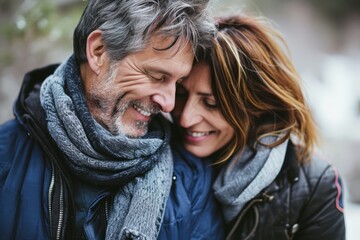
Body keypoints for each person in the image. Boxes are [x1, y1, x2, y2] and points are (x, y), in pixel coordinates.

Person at [0, 0, 216, 239]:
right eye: (157, 76)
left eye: (177, 84)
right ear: (99, 51)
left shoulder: (192, 179)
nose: (169, 103)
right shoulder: (5, 157)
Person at [172, 14, 346, 240]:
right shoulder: (153, 153)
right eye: (181, 94)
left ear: (256, 104)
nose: (186, 119)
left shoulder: (314, 184)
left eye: (211, 104)